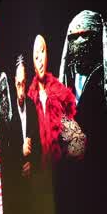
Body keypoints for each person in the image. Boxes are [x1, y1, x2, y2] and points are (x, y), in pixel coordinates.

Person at [27, 35, 81, 164]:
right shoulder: (30, 98)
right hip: (40, 172)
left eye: (43, 51)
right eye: (36, 56)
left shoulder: (60, 93)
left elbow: (74, 136)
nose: (40, 59)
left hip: (60, 167)